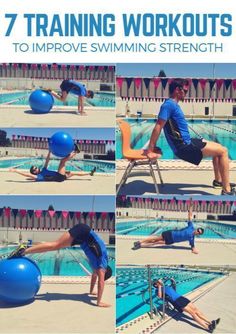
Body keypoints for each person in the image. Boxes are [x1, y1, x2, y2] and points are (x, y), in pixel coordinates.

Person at [146, 78, 235, 195]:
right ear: (178, 90)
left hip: (187, 142)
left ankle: (218, 181)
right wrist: (150, 149)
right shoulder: (168, 105)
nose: (186, 94)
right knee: (223, 151)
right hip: (184, 147)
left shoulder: (173, 105)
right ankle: (226, 190)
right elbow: (158, 126)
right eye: (186, 91)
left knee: (218, 147)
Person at [8, 223, 112, 307]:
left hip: (82, 236)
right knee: (56, 245)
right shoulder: (102, 264)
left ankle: (24, 250)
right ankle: (23, 251)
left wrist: (91, 291)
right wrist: (99, 302)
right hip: (83, 232)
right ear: (105, 271)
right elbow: (101, 282)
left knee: (55, 245)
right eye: (100, 274)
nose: (97, 274)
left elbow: (94, 276)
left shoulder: (99, 265)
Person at [153, 279, 220, 333]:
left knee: (196, 309)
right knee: (192, 313)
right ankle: (208, 327)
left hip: (181, 297)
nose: (160, 282)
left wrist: (172, 281)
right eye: (158, 282)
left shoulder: (165, 286)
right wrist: (159, 287)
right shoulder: (157, 290)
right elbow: (159, 296)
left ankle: (211, 322)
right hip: (177, 301)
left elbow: (173, 289)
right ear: (156, 284)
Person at [133, 202, 203, 254]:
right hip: (170, 233)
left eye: (199, 232)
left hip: (172, 241)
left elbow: (193, 248)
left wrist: (195, 251)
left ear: (198, 234)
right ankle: (139, 242)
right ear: (196, 229)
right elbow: (190, 216)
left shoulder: (192, 239)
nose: (197, 232)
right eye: (198, 230)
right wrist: (190, 207)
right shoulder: (191, 227)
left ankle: (141, 245)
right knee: (156, 238)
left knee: (156, 243)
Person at [9, 148, 96, 182]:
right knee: (62, 162)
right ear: (34, 173)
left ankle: (90, 173)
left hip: (60, 176)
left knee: (74, 173)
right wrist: (15, 170)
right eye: (35, 169)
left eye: (36, 167)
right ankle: (76, 152)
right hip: (58, 177)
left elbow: (47, 161)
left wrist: (49, 152)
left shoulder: (43, 170)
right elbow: (27, 175)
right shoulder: (39, 177)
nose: (36, 169)